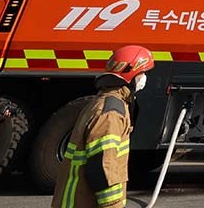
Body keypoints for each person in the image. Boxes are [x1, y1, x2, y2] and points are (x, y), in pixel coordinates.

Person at [52, 45, 154, 208]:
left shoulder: (109, 102)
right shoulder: (111, 113)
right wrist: (112, 205)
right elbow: (101, 165)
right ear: (131, 73)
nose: (144, 78)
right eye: (142, 73)